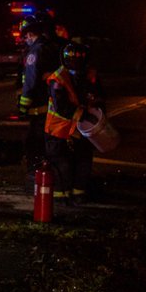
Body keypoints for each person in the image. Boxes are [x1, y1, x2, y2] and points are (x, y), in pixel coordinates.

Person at [44, 42, 104, 206]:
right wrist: (85, 115)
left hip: (74, 130)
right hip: (65, 130)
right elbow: (62, 106)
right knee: (68, 163)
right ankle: (64, 196)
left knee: (77, 162)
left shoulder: (83, 76)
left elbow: (99, 101)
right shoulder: (59, 78)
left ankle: (73, 194)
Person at [17, 13, 62, 190]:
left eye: (26, 35)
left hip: (39, 106)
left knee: (34, 142)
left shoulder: (35, 52)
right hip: (52, 104)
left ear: (30, 34)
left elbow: (31, 80)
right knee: (49, 140)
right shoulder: (52, 46)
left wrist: (23, 105)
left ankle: (36, 175)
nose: (25, 39)